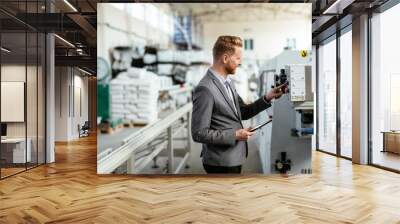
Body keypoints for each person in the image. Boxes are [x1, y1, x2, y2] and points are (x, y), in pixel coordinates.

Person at [191, 35, 288, 174]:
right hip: (220, 162)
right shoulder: (205, 89)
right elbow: (198, 133)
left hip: (234, 157)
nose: (240, 62)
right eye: (237, 58)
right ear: (225, 59)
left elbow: (243, 111)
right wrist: (234, 135)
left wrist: (268, 97)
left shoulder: (228, 83)